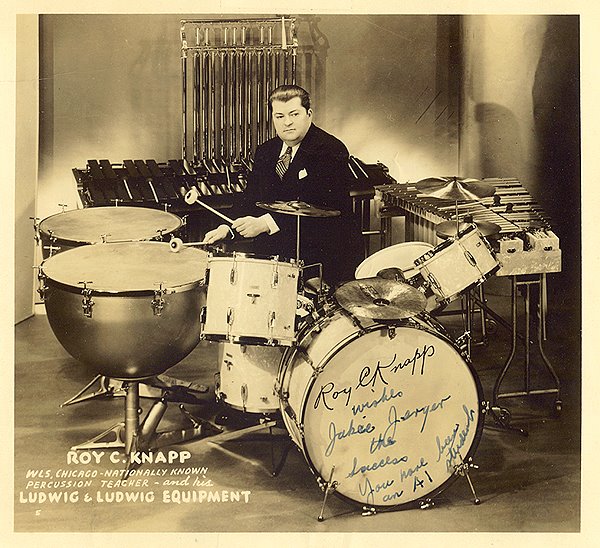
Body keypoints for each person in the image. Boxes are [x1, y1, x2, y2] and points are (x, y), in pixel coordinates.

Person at [203, 84, 362, 288]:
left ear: (309, 114)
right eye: (279, 116)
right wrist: (228, 227)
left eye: (294, 114)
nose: (287, 122)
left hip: (322, 260)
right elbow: (251, 198)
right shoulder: (266, 151)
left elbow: (320, 207)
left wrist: (265, 224)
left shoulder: (330, 150)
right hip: (274, 258)